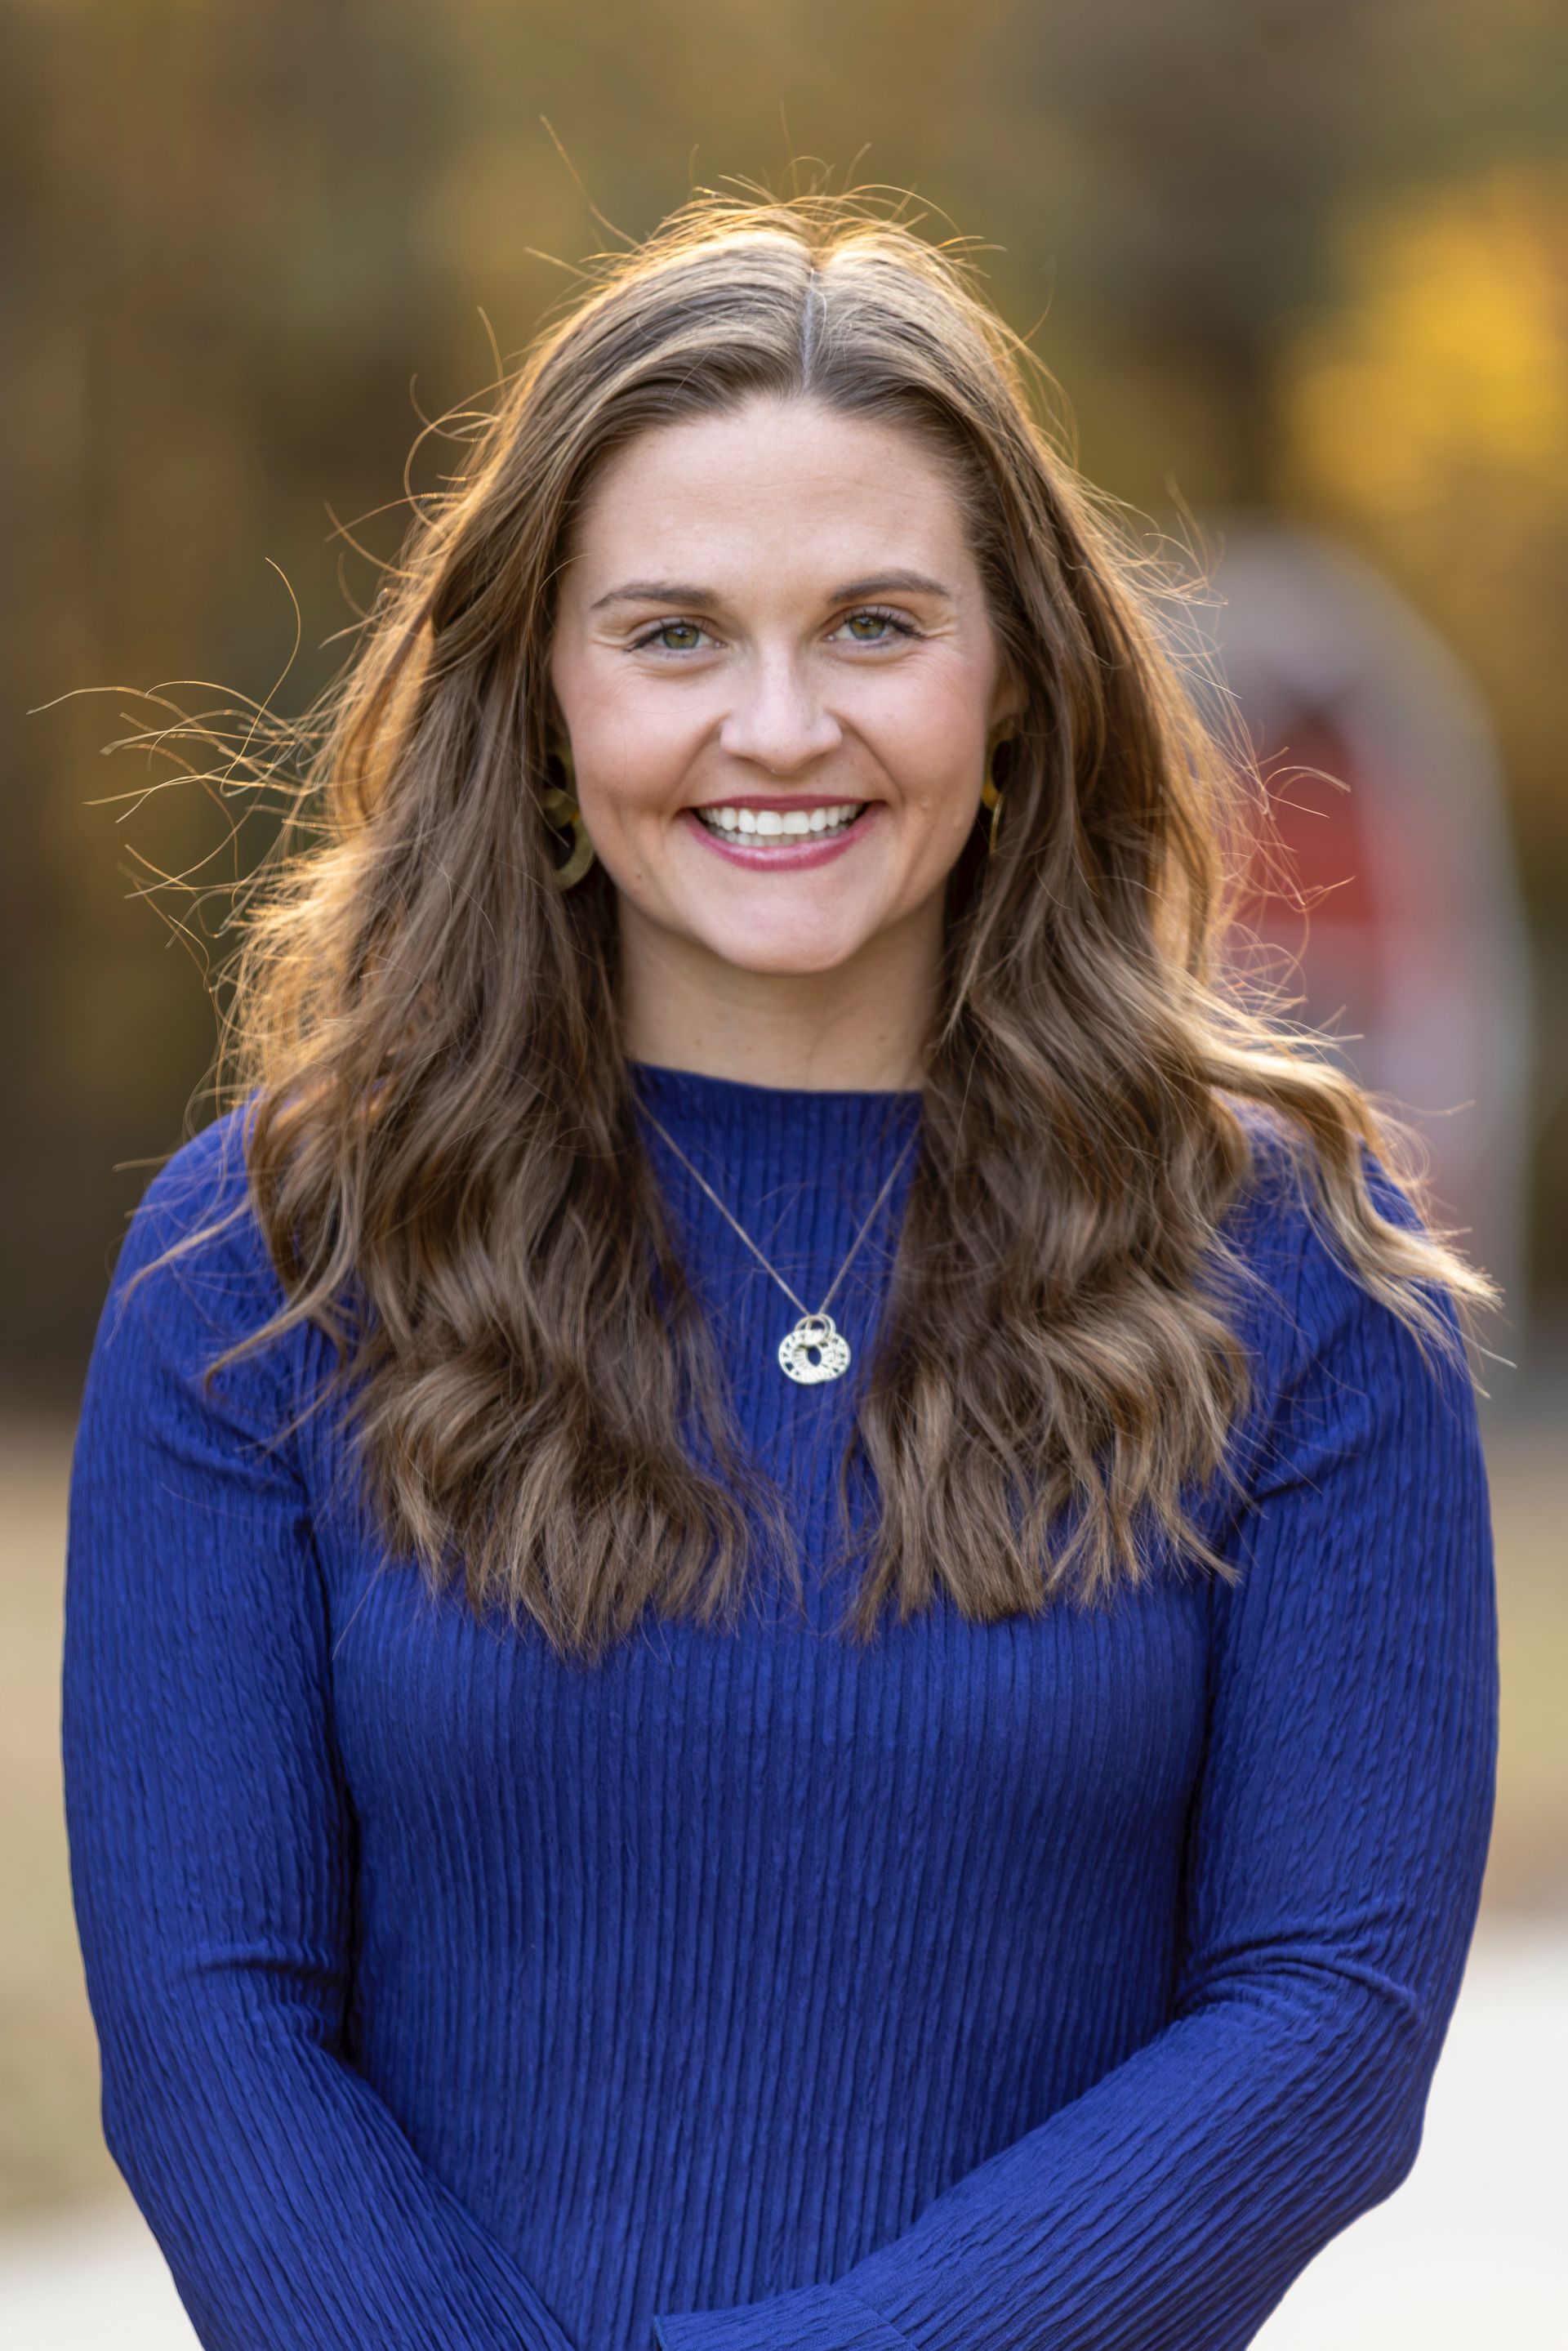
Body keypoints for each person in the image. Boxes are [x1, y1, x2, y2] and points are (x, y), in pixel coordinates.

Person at [61, 191, 1499, 2351]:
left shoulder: (1300, 1275)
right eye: (671, 633)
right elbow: (209, 2028)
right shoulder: (260, 1267)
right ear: (541, 700)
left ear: (1016, 681)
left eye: (875, 624)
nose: (778, 724)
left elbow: (1326, 2023)